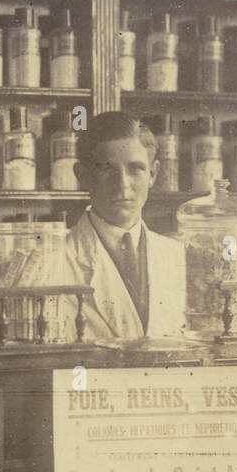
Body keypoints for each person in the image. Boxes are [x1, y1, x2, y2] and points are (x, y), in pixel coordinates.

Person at [59, 111, 186, 344]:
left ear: (153, 174)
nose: (122, 185)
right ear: (83, 176)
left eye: (136, 168)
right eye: (106, 169)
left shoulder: (177, 255)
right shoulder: (54, 258)